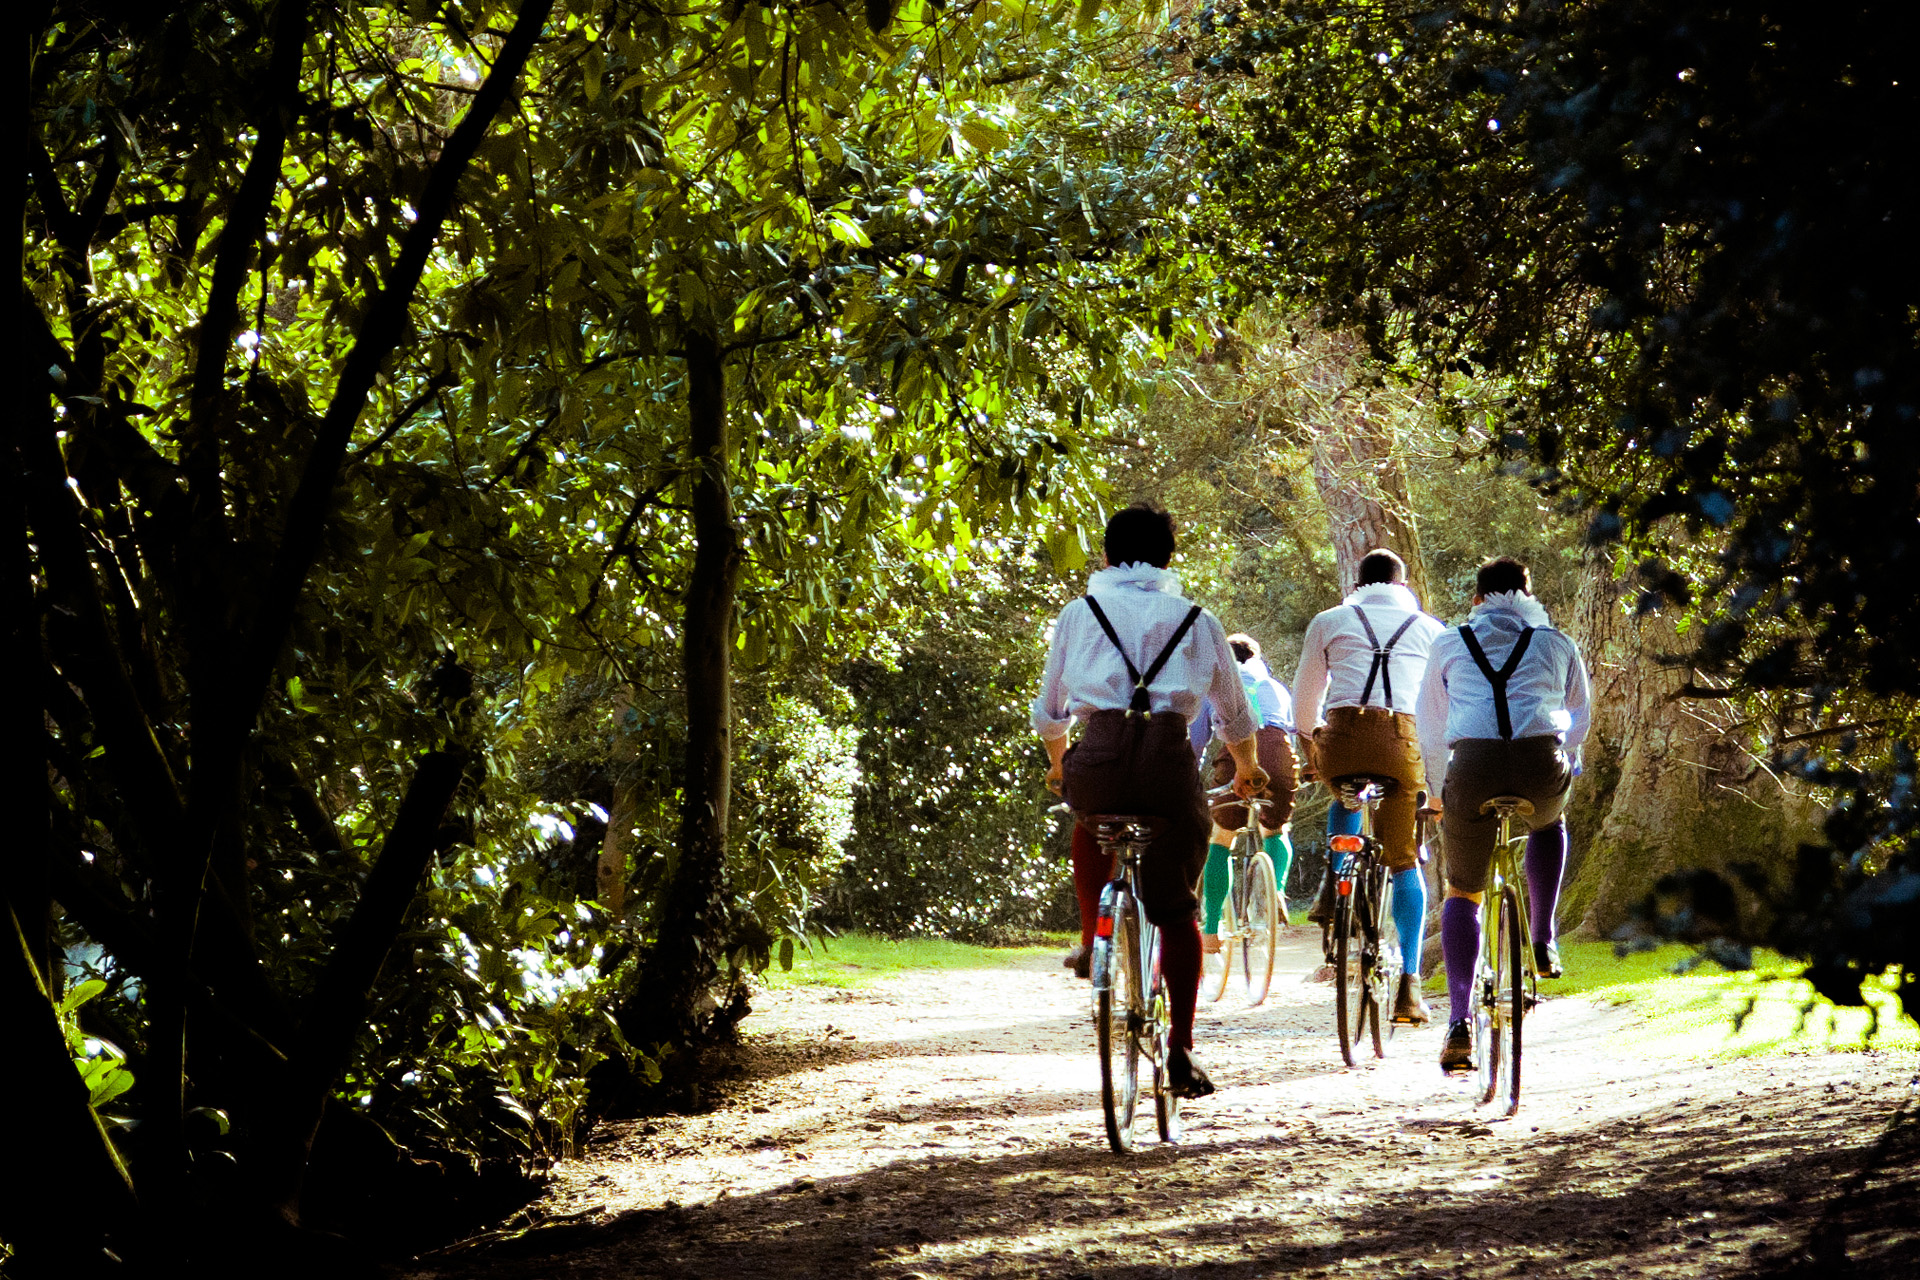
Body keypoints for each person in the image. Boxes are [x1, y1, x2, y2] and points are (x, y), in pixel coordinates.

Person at [1032, 503, 1267, 1100]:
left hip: (1101, 758)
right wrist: (1248, 769)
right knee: (1177, 908)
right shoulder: (1197, 618)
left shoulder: (1079, 613)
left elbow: (1050, 710)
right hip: (1168, 765)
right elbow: (1236, 714)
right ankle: (1182, 1049)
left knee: (1089, 821)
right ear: (1169, 558)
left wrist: (1061, 765)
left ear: (1106, 556)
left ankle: (1092, 941)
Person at [1414, 556, 1592, 1076]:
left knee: (1462, 891)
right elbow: (1581, 712)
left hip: (1472, 766)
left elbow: (1429, 723)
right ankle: (1542, 938)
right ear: (1529, 595)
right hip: (1541, 761)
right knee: (1549, 823)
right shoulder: (1556, 642)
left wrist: (1436, 789)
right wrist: (1569, 756)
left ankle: (1458, 1021)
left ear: (1476, 599)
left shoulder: (1448, 643)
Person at [1292, 548, 1446, 1026]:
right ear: (1402, 586)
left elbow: (1303, 701)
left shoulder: (1329, 620)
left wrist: (1311, 749)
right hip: (1402, 745)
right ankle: (1410, 988)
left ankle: (1340, 897)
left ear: (1357, 585)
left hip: (1340, 741)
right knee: (1403, 861)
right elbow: (1440, 710)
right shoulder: (1430, 629)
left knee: (1343, 793)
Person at [1202, 634, 1299, 952]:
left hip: (1237, 756)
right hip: (1278, 751)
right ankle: (1275, 893)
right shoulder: (1277, 688)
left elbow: (1200, 736)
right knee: (1276, 827)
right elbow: (1295, 730)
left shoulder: (1216, 689)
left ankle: (1212, 929)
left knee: (1222, 837)